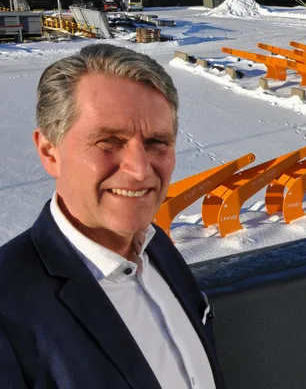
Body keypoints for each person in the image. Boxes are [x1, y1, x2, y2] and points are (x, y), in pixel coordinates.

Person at [0, 44, 226, 389]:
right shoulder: (8, 305)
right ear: (50, 152)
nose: (139, 171)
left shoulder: (157, 247)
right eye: (109, 141)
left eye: (156, 142)